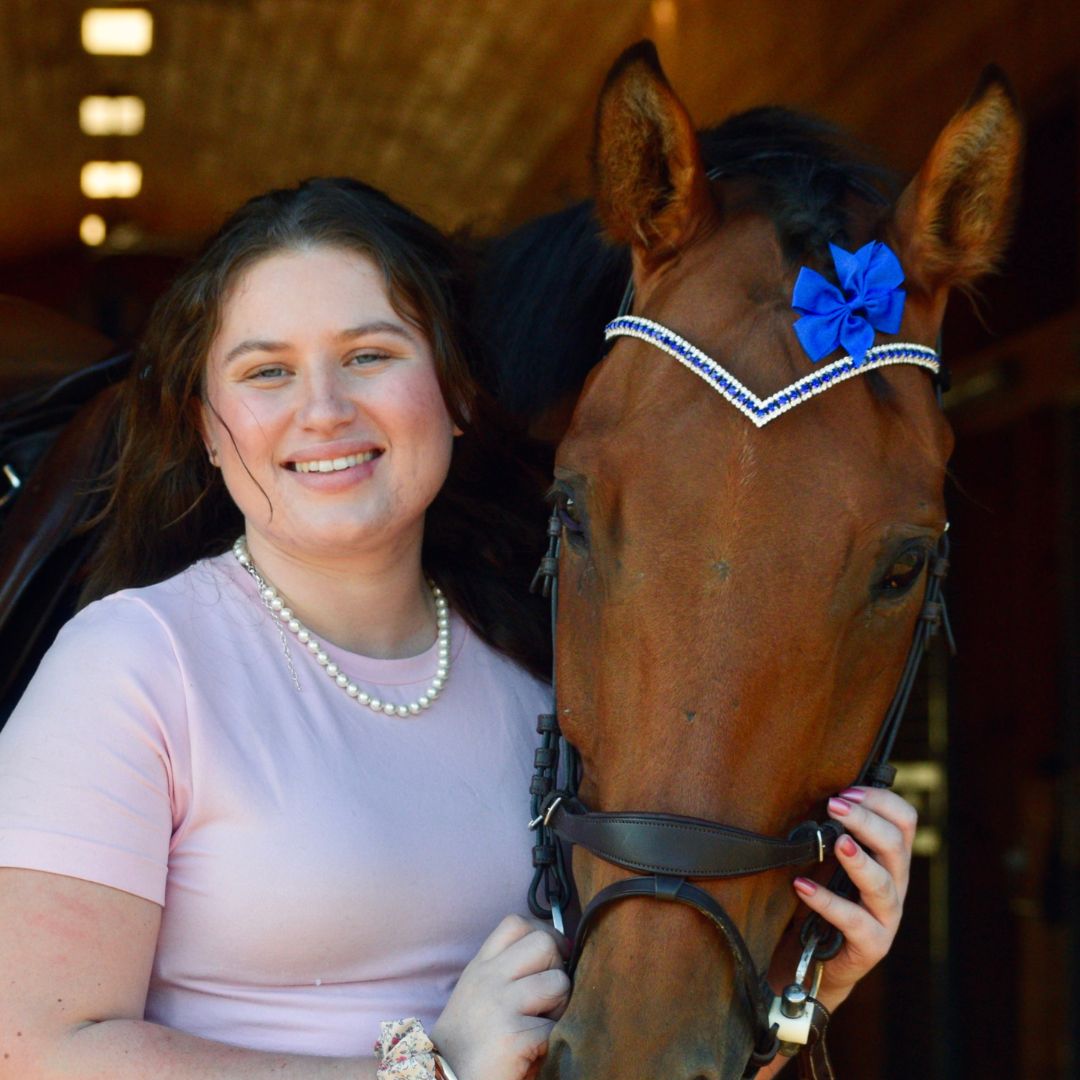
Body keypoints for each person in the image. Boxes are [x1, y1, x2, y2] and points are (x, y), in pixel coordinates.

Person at [0, 177, 916, 1079]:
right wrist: (428, 1070)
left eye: (370, 355)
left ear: (457, 392)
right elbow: (36, 1051)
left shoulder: (545, 672)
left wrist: (801, 1001)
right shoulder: (133, 664)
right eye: (266, 371)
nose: (322, 409)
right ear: (206, 425)